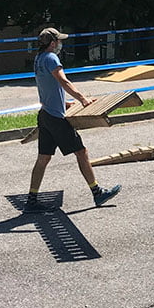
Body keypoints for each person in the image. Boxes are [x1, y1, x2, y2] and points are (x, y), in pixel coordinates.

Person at [26, 27, 121, 212]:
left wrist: (66, 102)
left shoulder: (38, 59)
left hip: (45, 114)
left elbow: (49, 87)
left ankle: (31, 200)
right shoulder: (52, 58)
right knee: (82, 152)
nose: (61, 44)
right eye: (59, 41)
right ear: (52, 43)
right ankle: (97, 192)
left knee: (43, 158)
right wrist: (82, 99)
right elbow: (64, 81)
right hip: (56, 118)